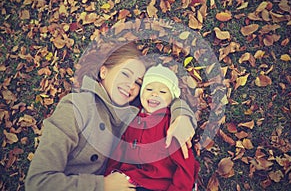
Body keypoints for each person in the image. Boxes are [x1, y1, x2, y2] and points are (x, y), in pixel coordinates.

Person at [25, 41, 197, 191]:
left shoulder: (133, 113)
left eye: (138, 83)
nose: (130, 86)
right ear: (103, 72)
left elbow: (162, 98)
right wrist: (102, 186)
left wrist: (181, 116)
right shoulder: (76, 107)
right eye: (125, 74)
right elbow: (38, 183)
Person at [105, 64, 199, 191]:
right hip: (129, 181)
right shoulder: (132, 118)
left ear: (171, 99)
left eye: (162, 91)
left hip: (157, 185)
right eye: (149, 89)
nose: (155, 94)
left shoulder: (170, 124)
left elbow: (185, 165)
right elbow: (119, 151)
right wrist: (110, 174)